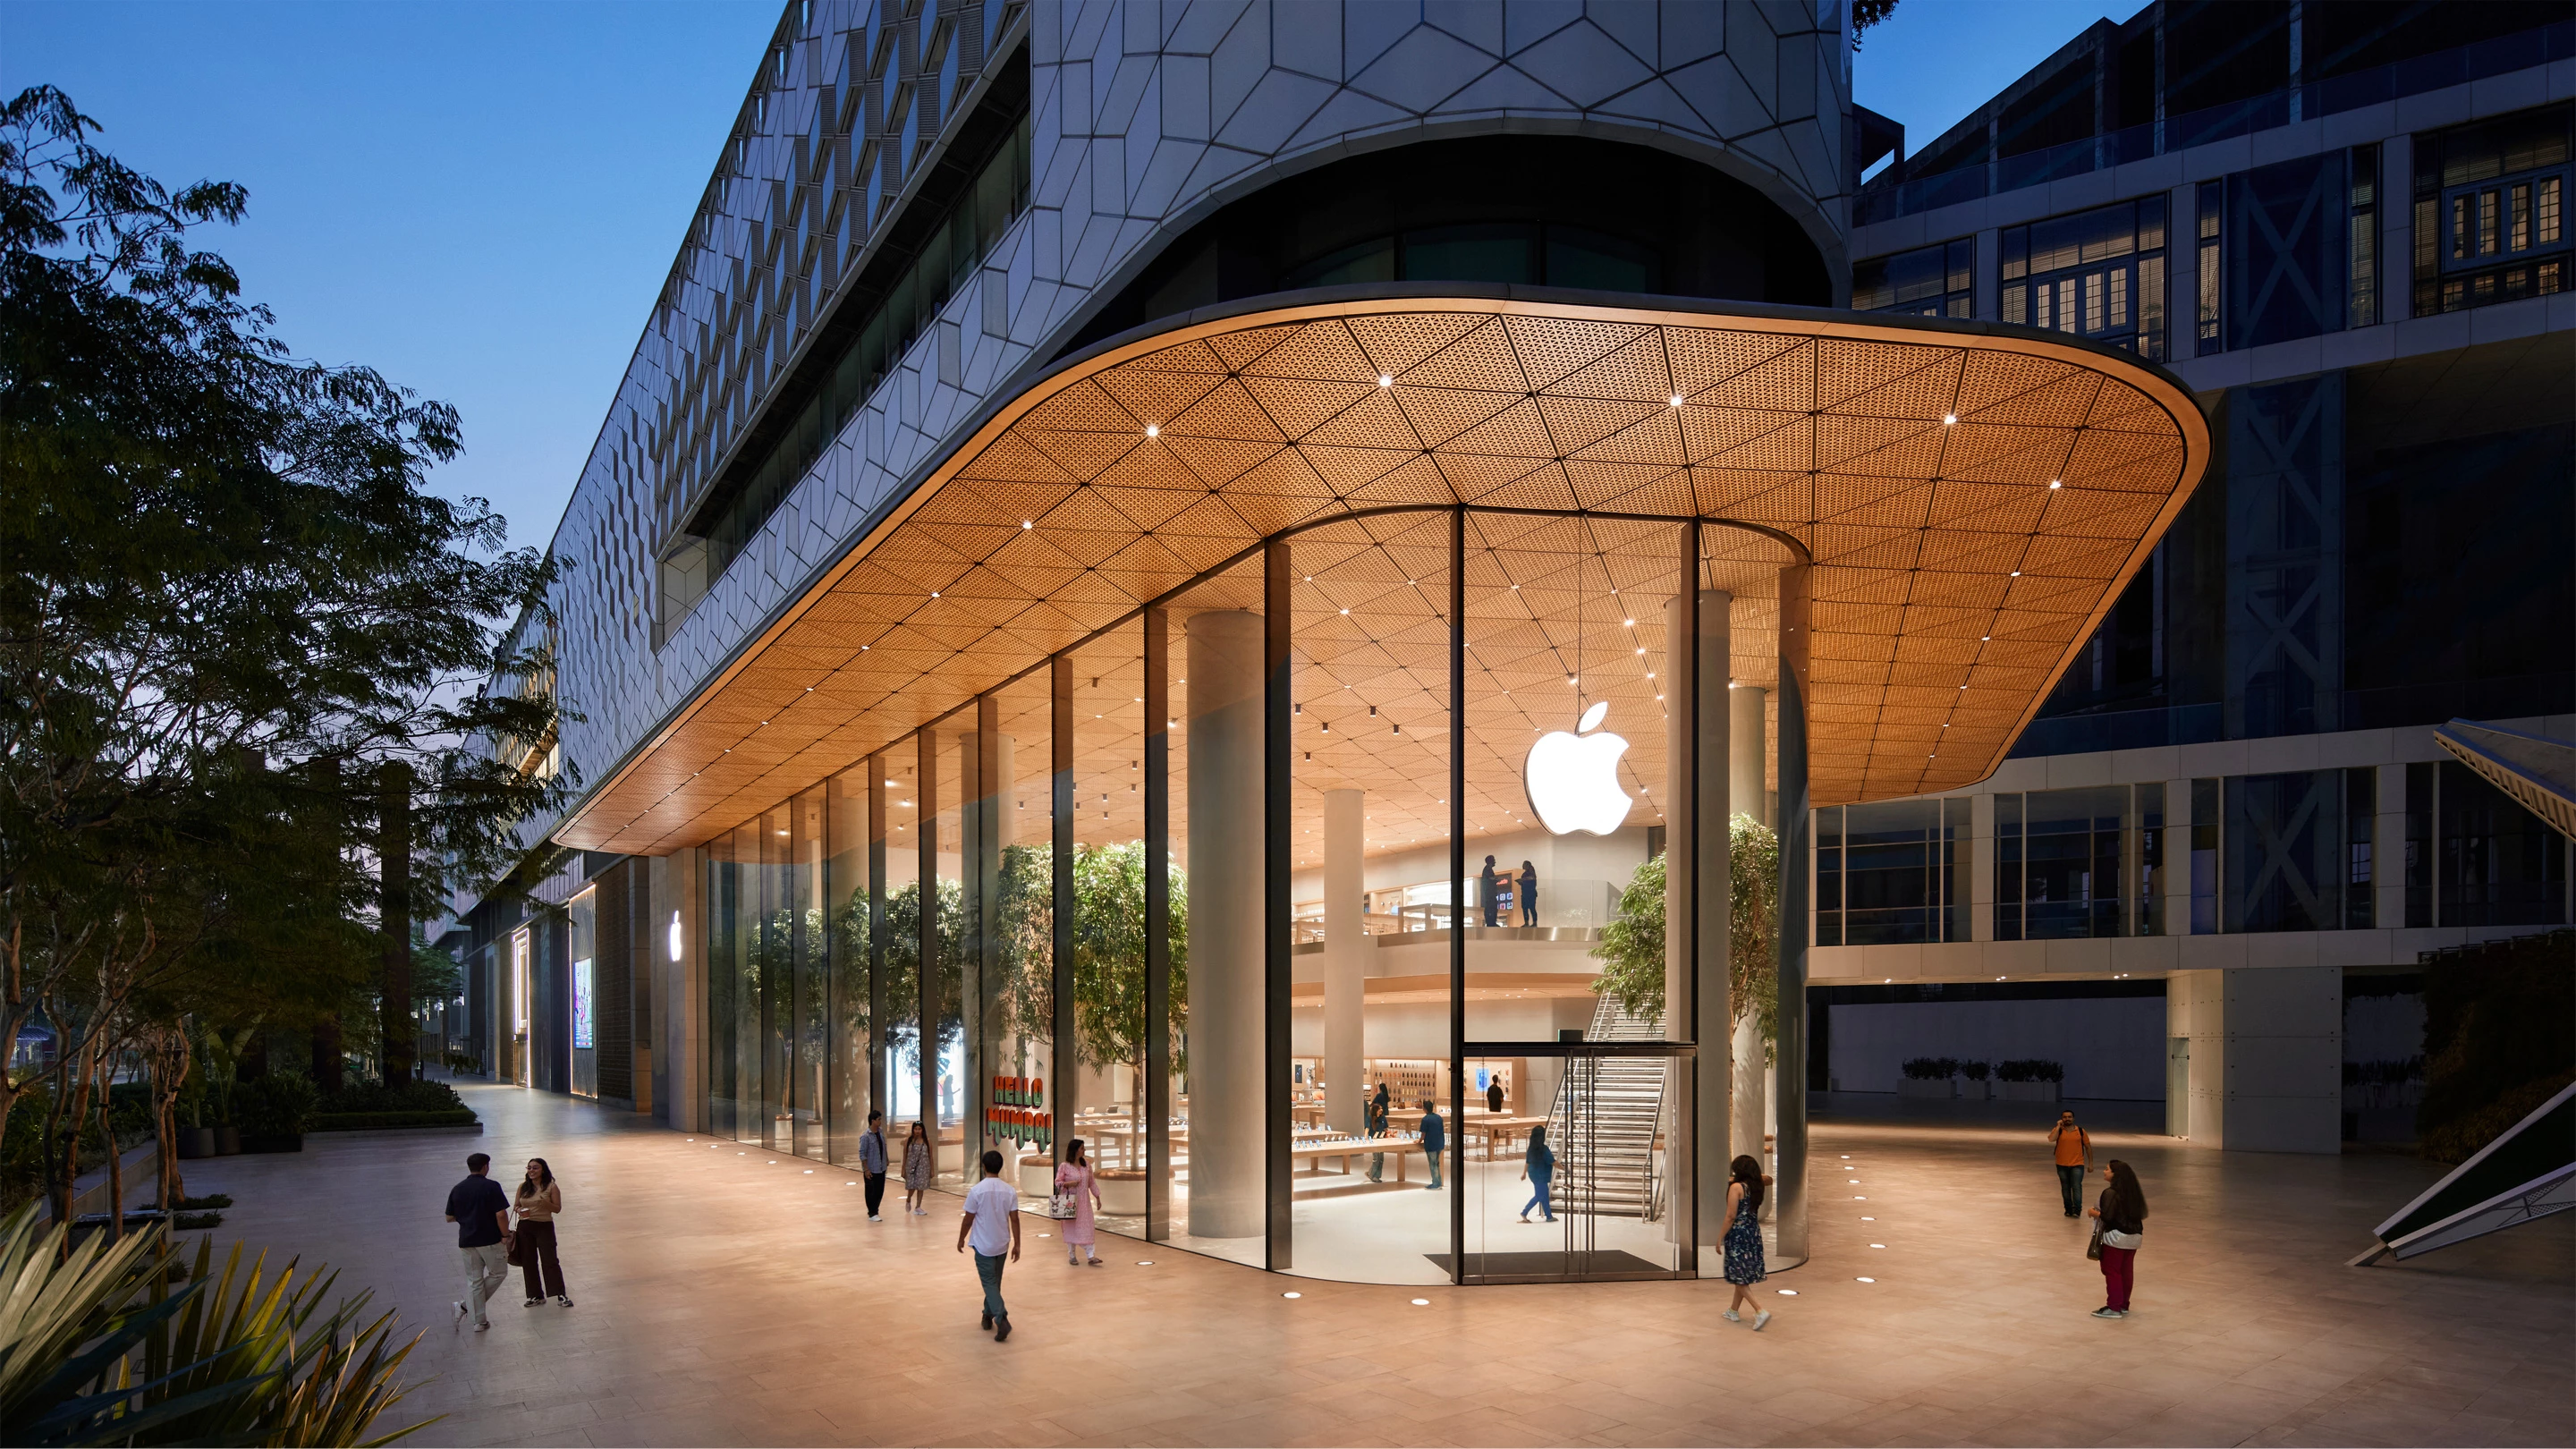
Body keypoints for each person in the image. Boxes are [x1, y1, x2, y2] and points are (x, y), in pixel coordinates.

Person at [956, 1148, 1022, 1341]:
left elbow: (968, 1219)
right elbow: (1015, 1219)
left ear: (983, 1167)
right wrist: (1017, 1244)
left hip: (983, 1245)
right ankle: (987, 1314)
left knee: (989, 1283)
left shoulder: (977, 1190)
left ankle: (1001, 1319)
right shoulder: (1009, 1190)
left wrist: (961, 1238)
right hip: (1002, 1244)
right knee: (994, 1283)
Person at [445, 1151, 512, 1333]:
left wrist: (468, 1215)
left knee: (474, 1280)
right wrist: (505, 1234)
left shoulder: (457, 1188)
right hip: (489, 1240)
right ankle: (466, 1307)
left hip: (466, 1241)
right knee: (498, 1273)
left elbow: (449, 1217)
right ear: (485, 1166)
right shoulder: (491, 1186)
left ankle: (479, 1322)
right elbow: (501, 1214)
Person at [2088, 1158, 2148, 1318]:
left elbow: (2107, 1217)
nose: (2104, 1171)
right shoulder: (2132, 1193)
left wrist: (2093, 1213)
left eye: (2107, 1169)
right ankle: (2123, 1304)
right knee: (2126, 1271)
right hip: (2134, 1237)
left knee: (2111, 1270)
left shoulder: (2110, 1193)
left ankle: (2113, 1307)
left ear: (2116, 1175)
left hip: (2116, 1238)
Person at [511, 1157, 572, 1308]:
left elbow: (557, 1209)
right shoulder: (523, 1187)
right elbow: (516, 1205)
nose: (531, 1171)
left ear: (543, 1170)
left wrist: (546, 1204)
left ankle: (560, 1294)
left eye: (535, 1168)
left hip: (544, 1226)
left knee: (550, 1260)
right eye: (529, 1168)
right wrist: (520, 1210)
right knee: (528, 1261)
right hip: (525, 1227)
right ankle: (535, 1295)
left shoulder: (551, 1187)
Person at [1721, 1153, 1772, 1330]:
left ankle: (1759, 1310)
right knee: (1741, 1273)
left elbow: (1730, 1216)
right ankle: (1733, 1310)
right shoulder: (1756, 1187)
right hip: (1753, 1233)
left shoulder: (1736, 1187)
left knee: (1737, 1274)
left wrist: (1720, 1236)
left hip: (1738, 1235)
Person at [1055, 1137, 1105, 1266]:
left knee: (1087, 1227)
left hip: (1084, 1203)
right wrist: (1069, 1184)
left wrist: (1097, 1197)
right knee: (1071, 1227)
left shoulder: (1086, 1165)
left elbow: (1091, 1183)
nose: (1084, 1150)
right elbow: (1057, 1183)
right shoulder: (1064, 1166)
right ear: (1075, 1150)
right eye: (1082, 1148)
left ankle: (1091, 1256)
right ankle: (1072, 1255)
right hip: (1070, 1202)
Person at [2047, 1110, 2091, 1217]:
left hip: (2077, 1164)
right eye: (2065, 1117)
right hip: (2061, 1164)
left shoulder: (2080, 1131)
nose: (2067, 1119)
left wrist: (2091, 1163)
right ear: (2061, 1119)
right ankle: (2068, 1209)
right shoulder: (2058, 1131)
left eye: (2069, 1117)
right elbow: (2051, 1139)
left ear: (2073, 1118)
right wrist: (2058, 1127)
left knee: (2076, 1186)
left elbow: (2088, 1147)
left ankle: (2077, 1209)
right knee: (2065, 1187)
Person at [859, 1108, 891, 1222]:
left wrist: (886, 1159)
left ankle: (875, 1210)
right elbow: (862, 1154)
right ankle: (872, 1212)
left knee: (880, 1190)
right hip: (872, 1169)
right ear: (872, 1121)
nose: (880, 1122)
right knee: (871, 1191)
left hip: (881, 1167)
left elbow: (884, 1146)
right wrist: (866, 1169)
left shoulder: (880, 1132)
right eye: (878, 1119)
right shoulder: (866, 1136)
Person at [1519, 1123, 1555, 1223]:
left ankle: (1549, 1216)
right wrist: (1564, 1168)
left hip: (1533, 1174)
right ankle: (1524, 1212)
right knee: (1540, 1195)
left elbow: (1528, 1161)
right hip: (1541, 1175)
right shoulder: (1544, 1149)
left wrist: (1524, 1173)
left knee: (1544, 1195)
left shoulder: (1531, 1148)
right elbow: (1552, 1161)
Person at [902, 1118, 933, 1216]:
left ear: (922, 1130)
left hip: (923, 1167)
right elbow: (905, 1156)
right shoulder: (908, 1140)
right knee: (912, 1186)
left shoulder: (927, 1141)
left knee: (921, 1187)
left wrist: (932, 1170)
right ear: (913, 1130)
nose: (917, 1131)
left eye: (919, 1129)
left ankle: (918, 1206)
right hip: (911, 1167)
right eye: (916, 1129)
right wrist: (903, 1170)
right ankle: (909, 1199)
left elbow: (930, 1156)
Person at [1366, 1080, 1391, 1182]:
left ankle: (1374, 1175)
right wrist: (1366, 1136)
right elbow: (1367, 1127)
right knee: (1377, 1158)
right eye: (1379, 1109)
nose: (1381, 1110)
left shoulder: (1380, 1096)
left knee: (1381, 1159)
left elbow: (1385, 1127)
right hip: (1374, 1139)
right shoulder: (1385, 1095)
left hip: (1381, 1139)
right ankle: (1373, 1175)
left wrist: (1388, 1134)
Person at [1419, 1098, 1445, 1190]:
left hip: (1431, 1144)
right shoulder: (1438, 1117)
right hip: (1440, 1143)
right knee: (1437, 1164)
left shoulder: (1425, 1119)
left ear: (1424, 1109)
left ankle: (1435, 1183)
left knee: (1432, 1164)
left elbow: (1423, 1134)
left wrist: (1419, 1141)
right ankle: (1439, 1182)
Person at [1479, 855, 1499, 927]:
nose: (1495, 862)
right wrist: (1495, 879)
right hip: (1490, 893)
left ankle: (1492, 922)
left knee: (1492, 907)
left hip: (1491, 893)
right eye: (1494, 860)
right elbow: (1489, 878)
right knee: (1491, 907)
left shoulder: (1488, 869)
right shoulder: (1487, 869)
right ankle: (1491, 922)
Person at [1519, 860, 1538, 927]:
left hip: (1529, 893)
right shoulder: (1526, 873)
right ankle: (1528, 922)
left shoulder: (1530, 873)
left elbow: (1532, 878)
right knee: (1527, 908)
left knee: (1531, 908)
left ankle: (1532, 923)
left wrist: (1523, 880)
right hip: (1526, 893)